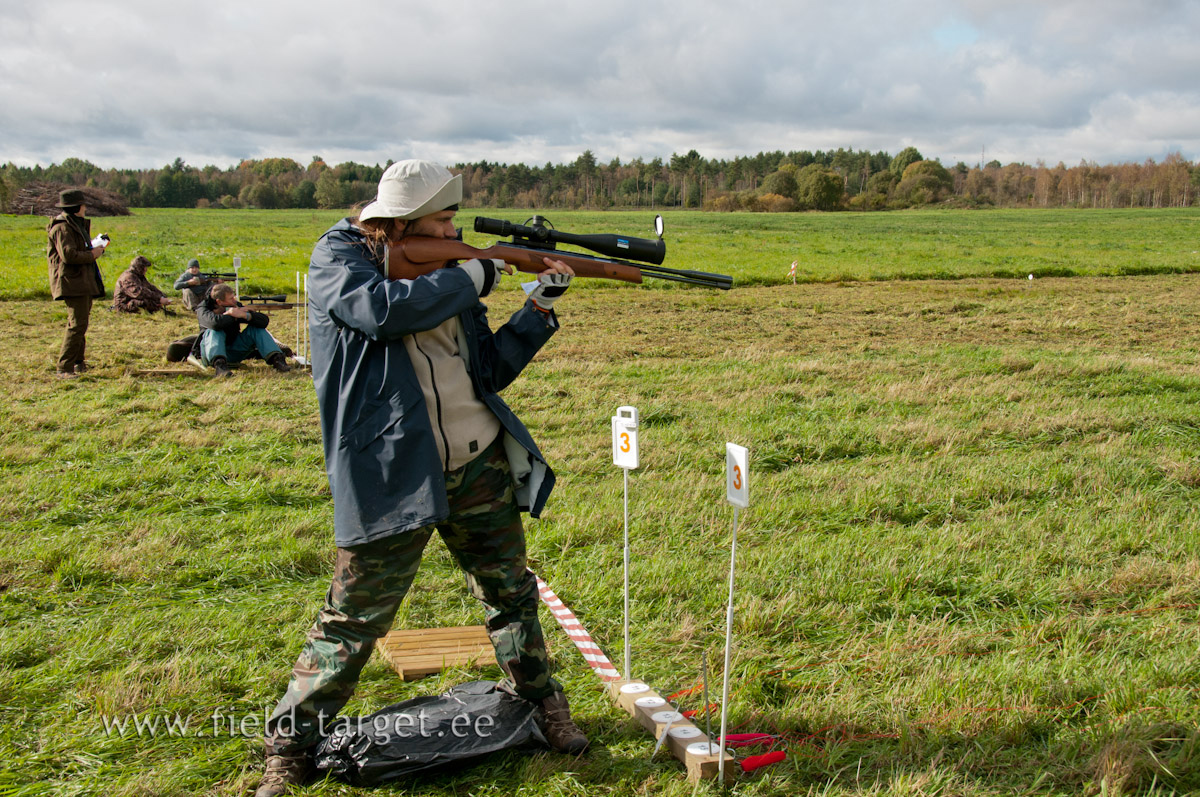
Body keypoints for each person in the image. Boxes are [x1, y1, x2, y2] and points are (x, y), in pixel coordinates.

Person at [254, 160, 580, 797]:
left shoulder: (445, 275)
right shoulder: (338, 260)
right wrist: (474, 274)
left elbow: (489, 370)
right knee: (354, 618)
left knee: (510, 594)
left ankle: (543, 703)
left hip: (477, 460)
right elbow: (380, 312)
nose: (456, 233)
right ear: (402, 222)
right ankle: (289, 746)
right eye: (444, 221)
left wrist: (537, 309)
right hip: (393, 471)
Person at [46, 188, 107, 377]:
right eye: (83, 204)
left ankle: (78, 363)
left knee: (80, 323)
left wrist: (94, 245)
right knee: (77, 324)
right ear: (77, 207)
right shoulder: (62, 227)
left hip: (80, 281)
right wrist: (93, 254)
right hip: (72, 282)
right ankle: (64, 367)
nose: (86, 208)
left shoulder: (73, 225)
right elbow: (69, 255)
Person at [196, 282, 290, 377]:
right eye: (231, 298)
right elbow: (215, 323)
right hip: (210, 353)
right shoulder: (203, 309)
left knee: (256, 329)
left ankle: (277, 359)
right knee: (214, 331)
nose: (234, 300)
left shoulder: (235, 306)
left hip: (233, 351)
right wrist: (232, 315)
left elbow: (264, 321)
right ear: (219, 302)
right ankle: (220, 366)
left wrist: (245, 315)